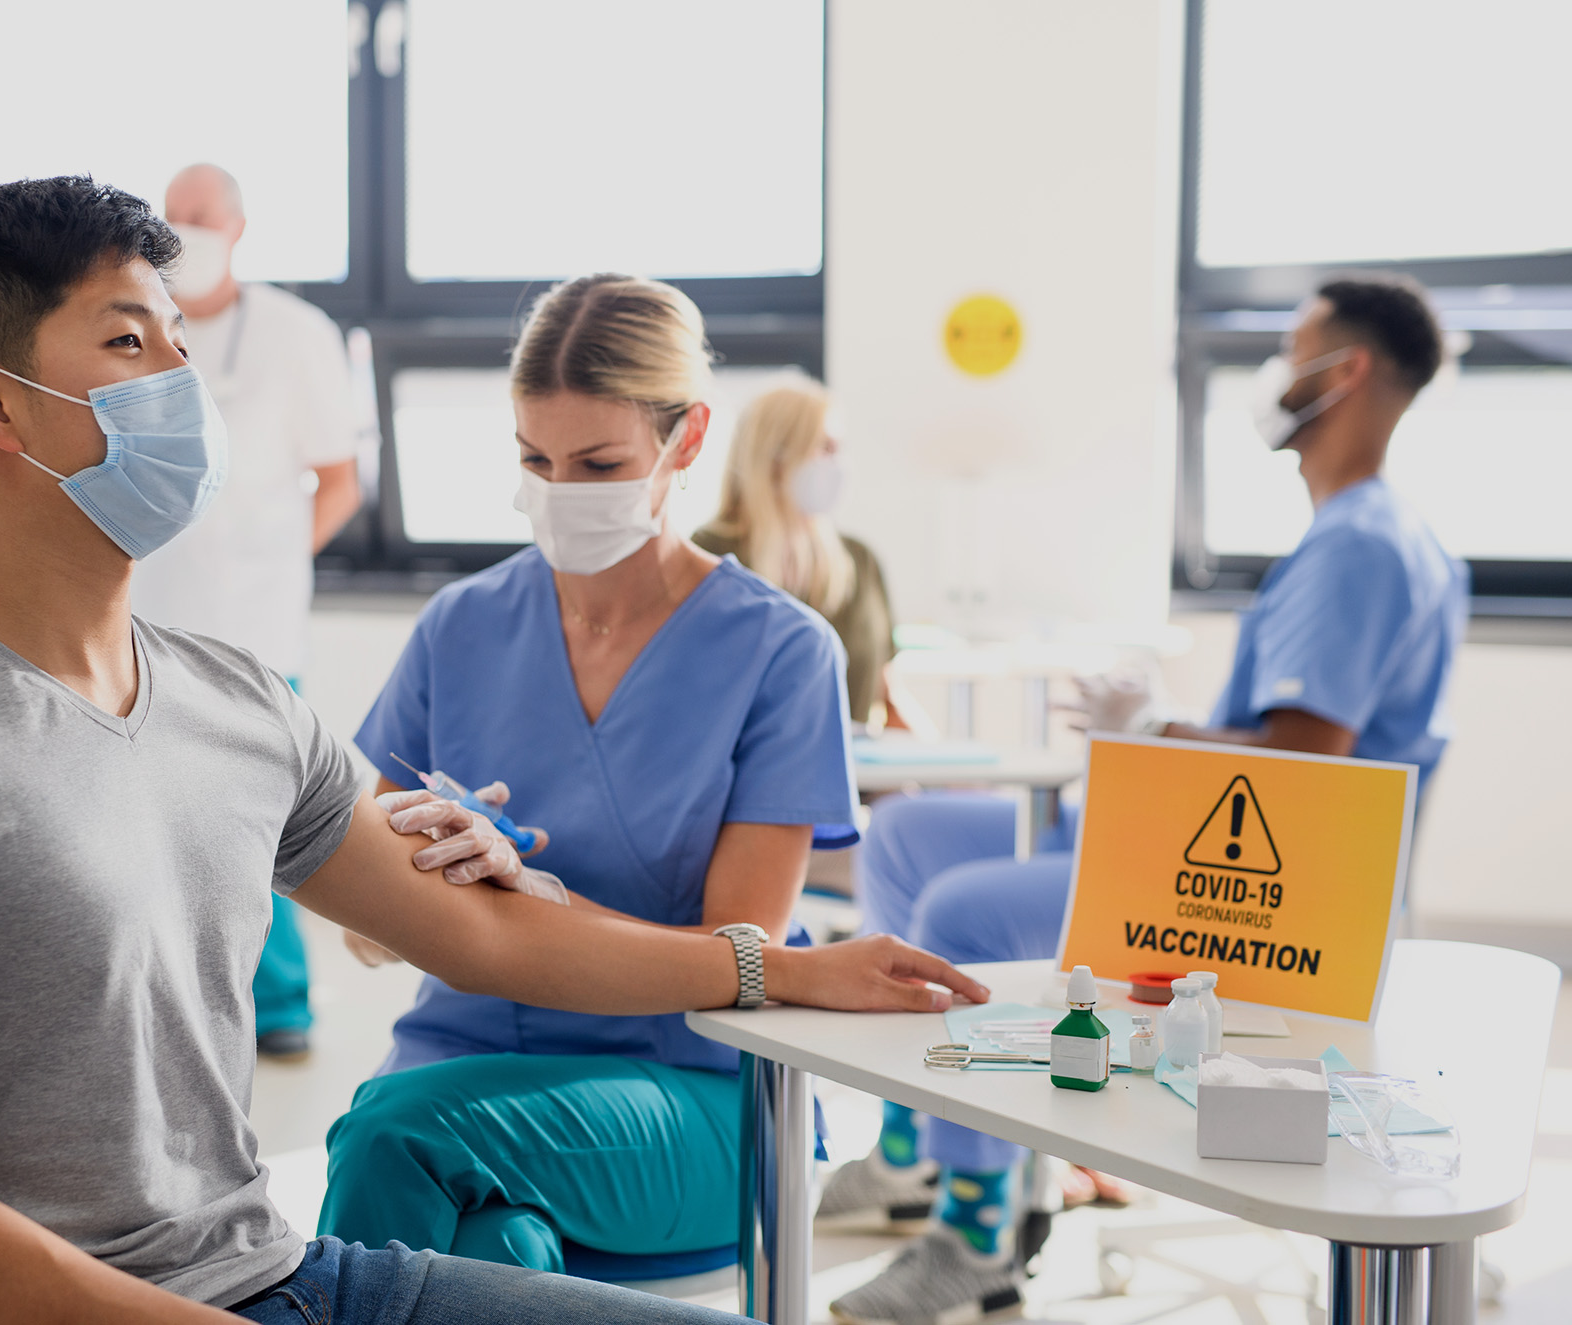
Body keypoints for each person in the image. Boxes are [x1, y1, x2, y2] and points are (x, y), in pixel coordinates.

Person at [0, 177, 991, 1325]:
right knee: (425, 1154)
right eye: (130, 343)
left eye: (181, 343)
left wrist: (774, 968)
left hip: (288, 1273)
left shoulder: (239, 704)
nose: (181, 381)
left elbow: (484, 931)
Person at [822, 275, 1468, 1325]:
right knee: (907, 834)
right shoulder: (1375, 533)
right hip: (1205, 842)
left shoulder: (1357, 545)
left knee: (959, 915)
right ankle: (915, 1154)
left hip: (1265, 892)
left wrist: (1153, 727)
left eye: (1291, 349)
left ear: (1342, 372)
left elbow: (1308, 758)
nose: (1273, 374)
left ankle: (977, 1232)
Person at [316, 275, 867, 1275]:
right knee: (495, 1254)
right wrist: (434, 876)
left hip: (680, 1093)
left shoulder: (779, 654)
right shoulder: (462, 627)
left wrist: (530, 899)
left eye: (598, 462)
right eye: (535, 458)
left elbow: (735, 959)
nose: (560, 489)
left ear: (686, 439)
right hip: (465, 1073)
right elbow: (362, 931)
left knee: (393, 1133)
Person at [131, 162, 363, 1062]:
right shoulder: (137, 326)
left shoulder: (297, 335)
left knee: (262, 814)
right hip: (148, 610)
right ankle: (170, 1003)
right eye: (174, 215)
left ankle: (280, 1005)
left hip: (258, 619)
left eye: (202, 216)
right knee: (153, 815)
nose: (187, 229)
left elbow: (340, 478)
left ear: (239, 227)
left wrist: (268, 562)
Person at [693, 378, 918, 731]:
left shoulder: (860, 561)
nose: (837, 463)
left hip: (856, 775)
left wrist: (950, 768)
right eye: (824, 448)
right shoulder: (709, 554)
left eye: (839, 448)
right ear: (776, 454)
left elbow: (887, 695)